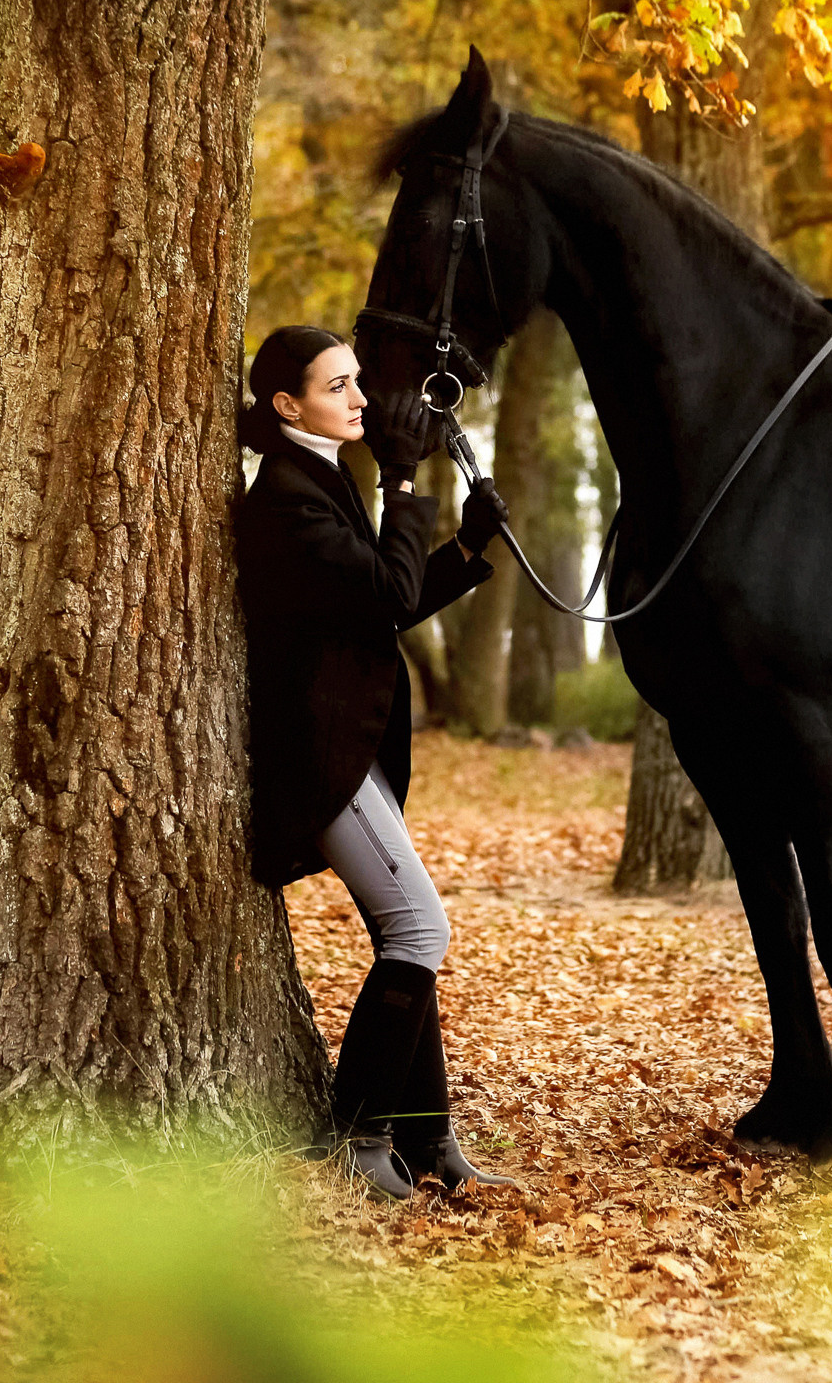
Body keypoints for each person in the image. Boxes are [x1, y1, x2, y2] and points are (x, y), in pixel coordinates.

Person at [235, 324, 517, 1199]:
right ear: (288, 406)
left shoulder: (319, 478)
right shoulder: (286, 498)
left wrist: (465, 550)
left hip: (354, 746)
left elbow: (376, 603)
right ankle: (359, 1140)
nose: (361, 399)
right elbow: (385, 592)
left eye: (357, 381)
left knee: (407, 934)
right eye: (339, 387)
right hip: (324, 755)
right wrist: (401, 484)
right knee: (420, 929)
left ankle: (428, 1140)